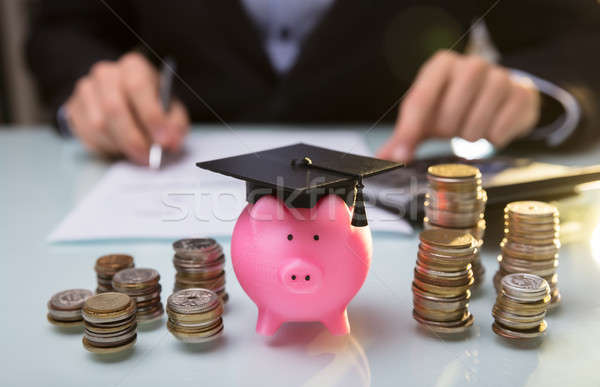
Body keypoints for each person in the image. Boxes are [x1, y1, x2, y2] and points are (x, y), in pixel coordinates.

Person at [26, 1, 600, 165]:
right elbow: (67, 25)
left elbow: (575, 36)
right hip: (173, 156)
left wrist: (529, 92)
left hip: (405, 164)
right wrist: (91, 86)